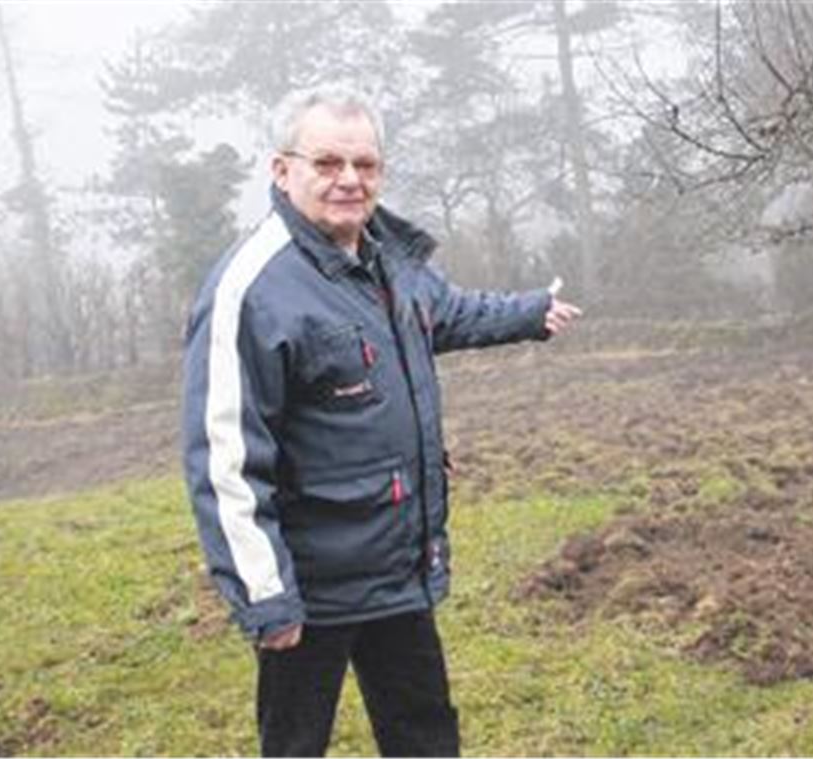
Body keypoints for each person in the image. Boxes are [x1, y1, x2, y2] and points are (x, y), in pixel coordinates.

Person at [181, 86, 582, 757]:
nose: (349, 179)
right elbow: (225, 462)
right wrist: (266, 597)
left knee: (426, 735)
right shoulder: (251, 289)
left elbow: (450, 312)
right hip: (310, 586)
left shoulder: (386, 261)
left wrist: (531, 311)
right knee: (295, 744)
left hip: (397, 565)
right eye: (327, 162)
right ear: (282, 170)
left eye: (364, 164)